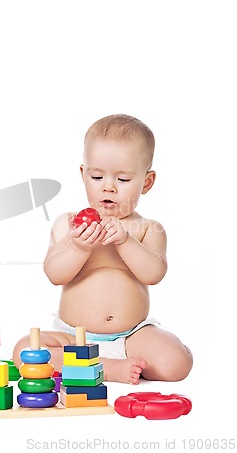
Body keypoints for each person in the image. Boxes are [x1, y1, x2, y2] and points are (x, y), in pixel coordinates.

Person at [13, 114, 193, 384]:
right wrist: (78, 246)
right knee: (25, 350)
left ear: (146, 182)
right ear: (83, 174)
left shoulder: (147, 228)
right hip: (73, 337)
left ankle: (94, 365)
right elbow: (54, 274)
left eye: (123, 180)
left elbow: (154, 274)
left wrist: (125, 241)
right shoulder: (70, 224)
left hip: (132, 337)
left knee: (176, 362)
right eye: (97, 176)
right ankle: (109, 368)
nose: (108, 186)